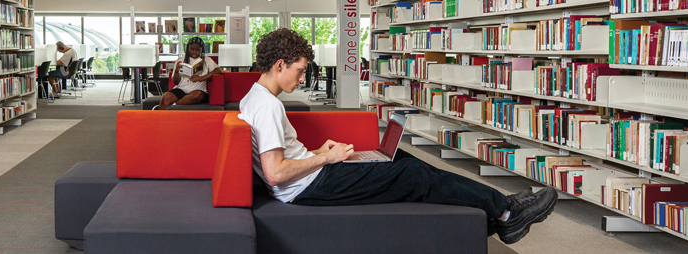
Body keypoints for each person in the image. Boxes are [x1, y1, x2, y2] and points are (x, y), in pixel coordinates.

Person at [238, 28, 558, 245]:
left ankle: (493, 215)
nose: (303, 76)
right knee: (413, 174)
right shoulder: (268, 106)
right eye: (300, 69)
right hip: (307, 187)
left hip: (310, 176)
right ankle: (507, 212)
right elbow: (275, 173)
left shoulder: (256, 96)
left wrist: (317, 151)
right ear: (280, 65)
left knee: (398, 158)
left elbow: (279, 159)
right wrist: (325, 158)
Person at [155, 37, 221, 110]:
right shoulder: (180, 60)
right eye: (192, 49)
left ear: (201, 49)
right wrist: (176, 71)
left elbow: (218, 70)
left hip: (198, 90)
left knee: (196, 96)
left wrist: (201, 78)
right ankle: (160, 119)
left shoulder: (207, 60)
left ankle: (173, 106)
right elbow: (176, 82)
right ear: (187, 48)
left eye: (197, 50)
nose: (194, 52)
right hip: (181, 89)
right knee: (165, 98)